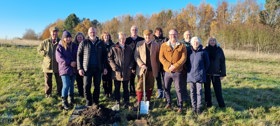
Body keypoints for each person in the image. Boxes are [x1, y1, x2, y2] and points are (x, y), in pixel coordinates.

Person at [77, 27, 107, 106]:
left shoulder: (101, 43)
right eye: (91, 32)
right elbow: (79, 56)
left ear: (96, 32)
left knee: (97, 86)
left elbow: (105, 56)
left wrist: (105, 67)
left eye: (94, 32)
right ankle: (88, 101)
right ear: (88, 33)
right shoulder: (84, 42)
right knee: (86, 86)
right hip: (87, 69)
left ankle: (96, 101)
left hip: (98, 69)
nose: (92, 33)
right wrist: (80, 68)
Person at [159, 29, 187, 113]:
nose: (173, 36)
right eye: (171, 34)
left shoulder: (182, 46)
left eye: (174, 34)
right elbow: (161, 57)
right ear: (168, 35)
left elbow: (184, 58)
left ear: (177, 35)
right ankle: (169, 102)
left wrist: (175, 66)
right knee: (166, 88)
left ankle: (180, 105)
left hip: (178, 71)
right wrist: (168, 65)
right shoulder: (164, 45)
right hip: (167, 71)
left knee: (178, 89)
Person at [134, 29, 160, 108]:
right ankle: (139, 101)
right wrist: (141, 64)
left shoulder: (156, 45)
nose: (147, 37)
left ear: (152, 36)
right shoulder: (139, 44)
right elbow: (136, 56)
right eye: (146, 35)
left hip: (152, 70)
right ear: (144, 36)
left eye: (149, 35)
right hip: (142, 69)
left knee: (150, 86)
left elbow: (158, 57)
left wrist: (157, 68)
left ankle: (148, 101)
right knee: (139, 86)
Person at [108, 32, 134, 108]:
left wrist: (130, 66)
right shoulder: (113, 47)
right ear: (119, 39)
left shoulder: (129, 48)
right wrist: (114, 67)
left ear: (125, 39)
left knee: (126, 88)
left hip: (126, 72)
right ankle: (117, 101)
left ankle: (126, 101)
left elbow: (132, 59)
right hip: (117, 72)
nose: (122, 40)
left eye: (124, 38)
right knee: (117, 88)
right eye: (121, 38)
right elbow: (109, 58)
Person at [37, 26, 62, 98]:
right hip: (47, 65)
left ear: (57, 33)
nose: (54, 33)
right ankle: (48, 94)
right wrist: (44, 53)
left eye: (56, 32)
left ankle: (60, 93)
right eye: (53, 32)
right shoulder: (45, 42)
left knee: (59, 81)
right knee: (48, 81)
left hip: (58, 65)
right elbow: (39, 50)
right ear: (50, 33)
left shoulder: (60, 42)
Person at [56, 31, 78, 110]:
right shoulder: (60, 47)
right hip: (64, 69)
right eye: (66, 37)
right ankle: (64, 101)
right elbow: (59, 59)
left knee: (72, 85)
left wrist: (76, 62)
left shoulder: (74, 46)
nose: (68, 38)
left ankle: (71, 99)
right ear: (63, 38)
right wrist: (70, 62)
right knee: (66, 85)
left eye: (69, 37)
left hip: (73, 69)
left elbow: (78, 55)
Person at [187, 36, 210, 114]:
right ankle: (193, 107)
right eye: (194, 42)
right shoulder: (189, 52)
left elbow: (207, 64)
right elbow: (186, 63)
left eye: (197, 42)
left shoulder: (203, 52)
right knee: (192, 92)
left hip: (200, 75)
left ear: (199, 43)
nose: (195, 43)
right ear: (191, 43)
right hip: (191, 75)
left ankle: (199, 107)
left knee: (199, 92)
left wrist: (202, 71)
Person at [204, 37, 226, 108]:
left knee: (218, 91)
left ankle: (222, 105)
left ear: (216, 42)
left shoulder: (219, 50)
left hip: (216, 73)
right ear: (208, 41)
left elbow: (222, 62)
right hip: (207, 73)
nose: (212, 42)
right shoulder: (205, 50)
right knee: (207, 90)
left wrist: (223, 73)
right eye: (211, 40)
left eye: (213, 40)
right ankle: (208, 105)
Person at [125, 25, 144, 97]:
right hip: (130, 61)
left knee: (140, 78)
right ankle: (132, 92)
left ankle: (140, 91)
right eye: (133, 30)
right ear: (130, 31)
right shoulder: (127, 40)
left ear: (137, 31)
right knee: (131, 78)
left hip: (140, 61)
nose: (134, 31)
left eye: (135, 30)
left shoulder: (141, 39)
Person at [153, 27, 168, 99]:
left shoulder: (165, 40)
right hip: (156, 62)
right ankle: (160, 92)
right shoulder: (153, 40)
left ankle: (166, 92)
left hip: (164, 61)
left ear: (161, 32)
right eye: (157, 32)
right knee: (158, 78)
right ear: (155, 33)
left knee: (165, 78)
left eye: (159, 32)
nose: (158, 33)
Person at [101, 32, 114, 99]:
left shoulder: (112, 44)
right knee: (104, 79)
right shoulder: (100, 44)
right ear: (103, 37)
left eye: (107, 36)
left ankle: (110, 92)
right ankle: (106, 92)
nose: (106, 37)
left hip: (110, 64)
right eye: (105, 36)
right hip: (103, 64)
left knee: (110, 79)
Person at [180, 30, 192, 106]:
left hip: (192, 66)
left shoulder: (194, 42)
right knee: (183, 82)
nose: (188, 36)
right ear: (184, 36)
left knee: (192, 83)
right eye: (186, 34)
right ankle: (184, 97)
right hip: (183, 66)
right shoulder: (181, 43)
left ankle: (192, 97)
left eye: (189, 34)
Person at [73, 32, 85, 97]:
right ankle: (80, 93)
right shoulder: (74, 45)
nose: (80, 38)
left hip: (85, 65)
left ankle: (85, 92)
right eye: (78, 37)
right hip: (77, 65)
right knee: (79, 81)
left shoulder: (86, 44)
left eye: (81, 37)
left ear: (83, 38)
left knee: (85, 81)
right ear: (76, 38)